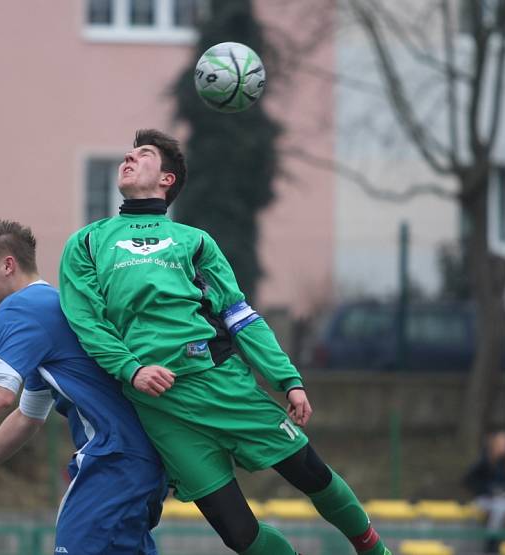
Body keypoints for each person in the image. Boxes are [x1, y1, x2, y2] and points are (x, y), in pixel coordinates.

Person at [58, 129, 391, 555]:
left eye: (142, 154)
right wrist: (132, 368)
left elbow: (239, 316)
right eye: (128, 153)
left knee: (313, 475)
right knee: (239, 534)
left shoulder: (194, 242)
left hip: (224, 386)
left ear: (167, 179)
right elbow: (86, 320)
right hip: (163, 410)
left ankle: (374, 549)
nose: (128, 157)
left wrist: (286, 378)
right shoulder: (87, 242)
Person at [0, 220, 166, 555]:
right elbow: (27, 417)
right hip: (139, 462)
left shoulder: (20, 308)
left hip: (112, 461)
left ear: (8, 265)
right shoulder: (52, 306)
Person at [463, 430, 505, 552]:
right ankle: (491, 544)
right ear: (496, 445)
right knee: (499, 508)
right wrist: (488, 490)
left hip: (504, 498)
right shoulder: (485, 461)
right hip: (485, 499)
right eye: (503, 444)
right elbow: (468, 480)